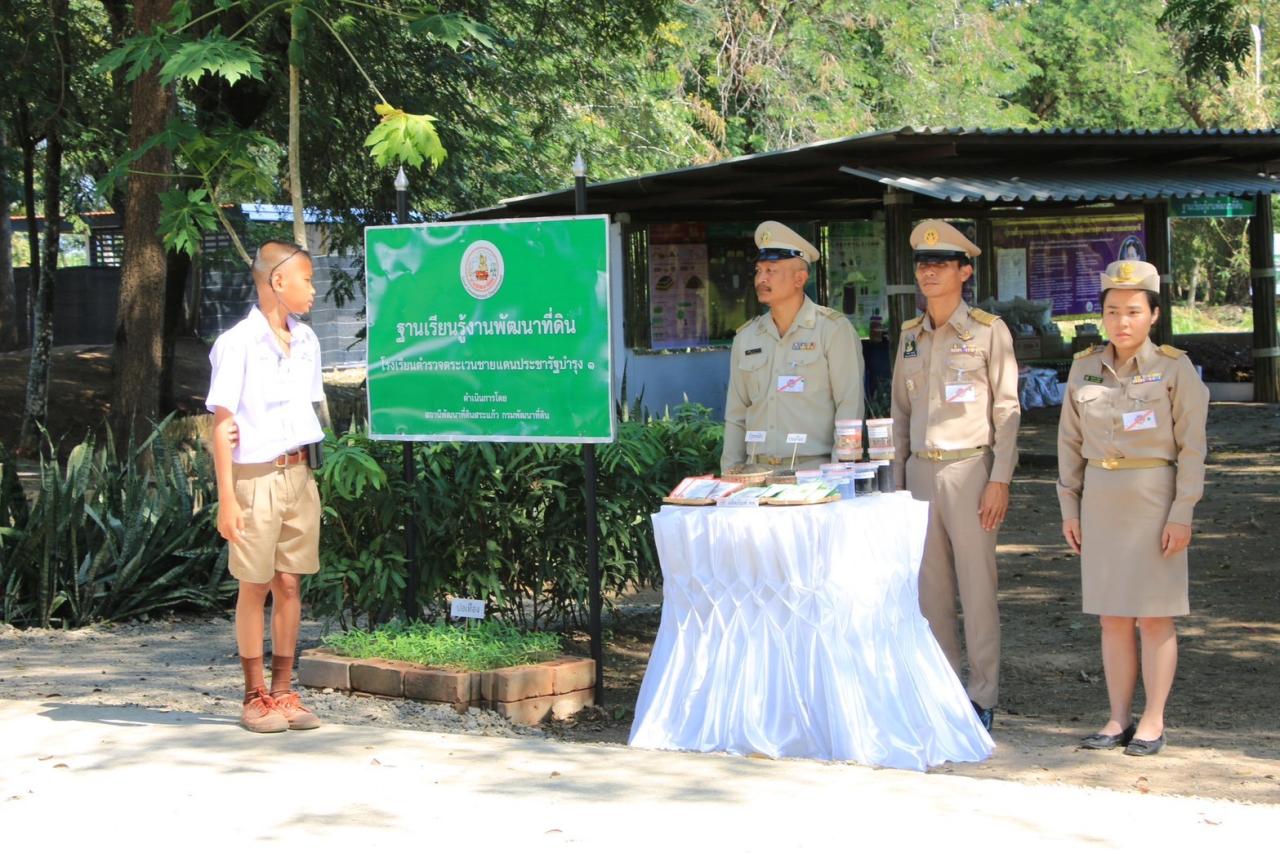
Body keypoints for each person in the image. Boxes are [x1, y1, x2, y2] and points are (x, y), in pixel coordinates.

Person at [1057, 260, 1208, 756]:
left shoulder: (1174, 368)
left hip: (1153, 498)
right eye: (1113, 311)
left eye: (1133, 311)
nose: (1122, 321)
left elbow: (1191, 448)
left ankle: (1153, 719)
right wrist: (1070, 508)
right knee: (1112, 616)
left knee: (1155, 615)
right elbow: (1069, 443)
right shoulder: (1083, 368)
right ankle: (1117, 716)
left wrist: (1182, 510)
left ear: (1153, 315)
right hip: (1100, 497)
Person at [890, 219, 1020, 732]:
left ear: (965, 270)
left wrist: (1001, 478)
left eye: (940, 263)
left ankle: (982, 694)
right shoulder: (908, 337)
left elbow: (1007, 411)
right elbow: (900, 414)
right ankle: (944, 691)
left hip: (970, 470)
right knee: (932, 594)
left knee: (977, 589)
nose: (928, 272)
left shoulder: (989, 331)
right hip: (920, 473)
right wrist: (896, 483)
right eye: (922, 264)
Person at [207, 240, 326, 733]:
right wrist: (227, 499)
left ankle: (283, 691)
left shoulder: (308, 342)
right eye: (307, 279)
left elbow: (307, 411)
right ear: (278, 281)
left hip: (299, 474)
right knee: (254, 584)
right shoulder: (237, 343)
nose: (314, 290)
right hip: (254, 480)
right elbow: (221, 424)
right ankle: (254, 695)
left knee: (291, 582)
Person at [721, 221, 865, 472]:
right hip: (757, 474)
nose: (761, 279)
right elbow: (736, 413)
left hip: (814, 472)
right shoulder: (747, 337)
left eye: (771, 270)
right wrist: (731, 473)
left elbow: (849, 406)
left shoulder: (832, 329)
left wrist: (841, 472)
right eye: (759, 270)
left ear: (800, 278)